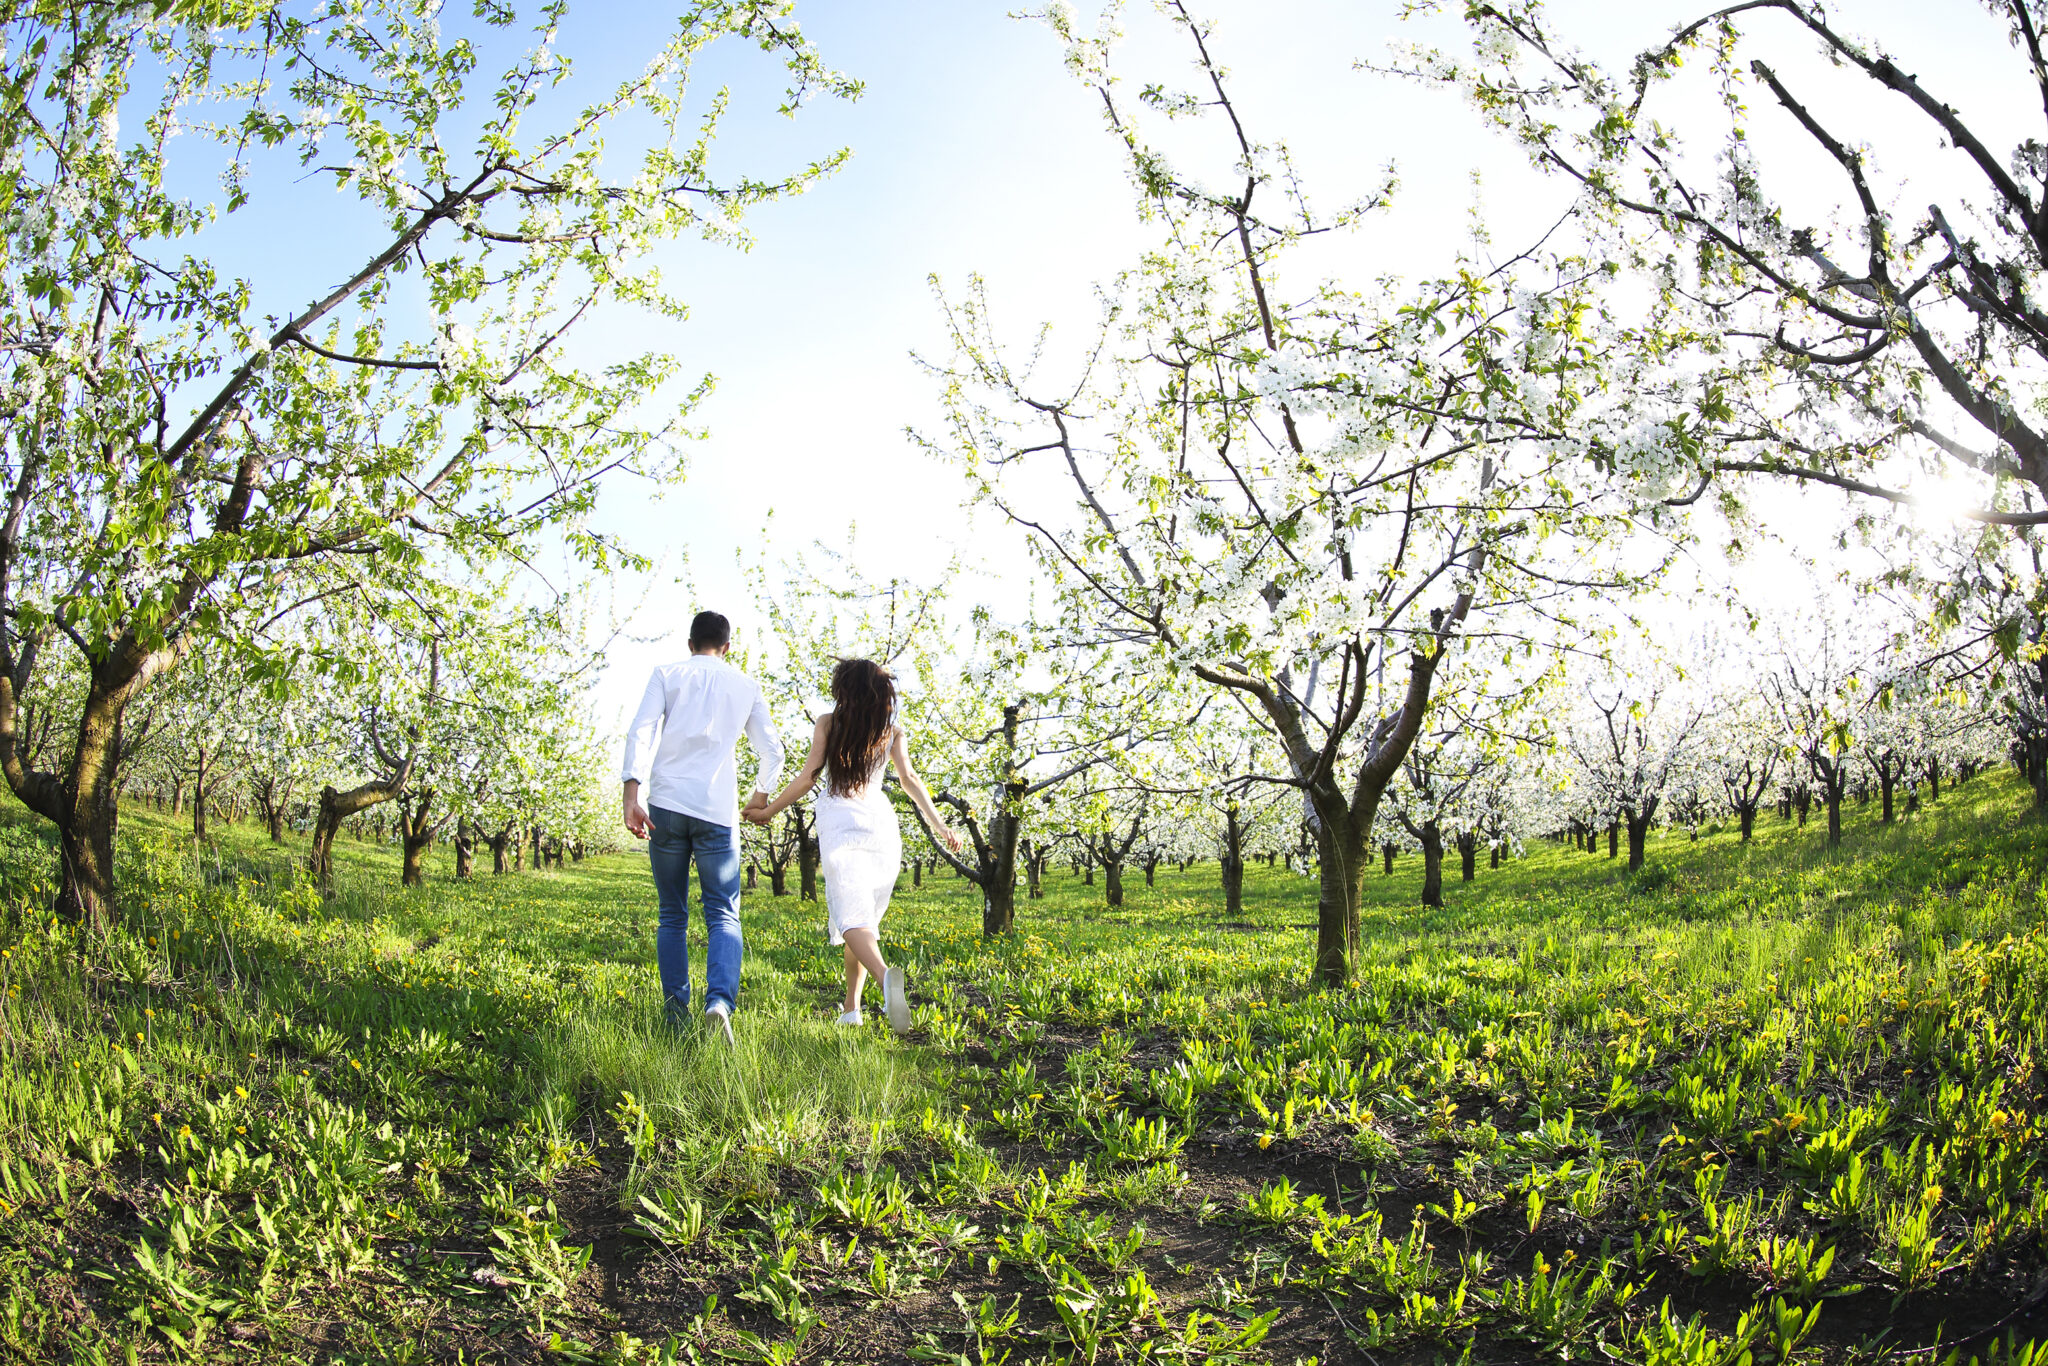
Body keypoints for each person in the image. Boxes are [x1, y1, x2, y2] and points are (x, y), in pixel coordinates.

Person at [745, 658, 960, 1034]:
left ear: (844, 689)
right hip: (880, 823)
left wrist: (770, 809)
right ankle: (851, 1009)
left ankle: (884, 977)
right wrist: (940, 824)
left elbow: (810, 775)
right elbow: (909, 779)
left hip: (840, 823)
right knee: (862, 919)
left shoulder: (828, 722)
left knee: (851, 916)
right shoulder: (891, 731)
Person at [620, 610, 783, 1044]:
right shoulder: (745, 685)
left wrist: (630, 796)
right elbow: (773, 749)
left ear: (689, 642)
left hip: (667, 805)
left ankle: (675, 1014)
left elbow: (641, 731)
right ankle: (718, 1004)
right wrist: (761, 794)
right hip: (717, 811)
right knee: (723, 913)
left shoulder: (666, 673)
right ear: (727, 647)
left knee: (672, 913)